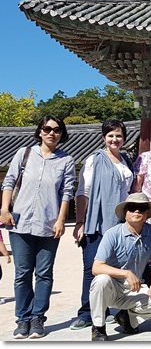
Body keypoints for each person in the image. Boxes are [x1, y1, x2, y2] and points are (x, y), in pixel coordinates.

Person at [1, 116, 76, 339]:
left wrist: (61, 219)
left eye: (57, 130)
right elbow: (9, 181)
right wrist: (4, 209)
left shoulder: (66, 160)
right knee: (22, 273)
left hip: (48, 224)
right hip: (20, 222)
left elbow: (67, 192)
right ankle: (22, 319)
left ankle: (37, 318)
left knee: (44, 273)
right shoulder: (24, 153)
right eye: (47, 129)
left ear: (62, 133)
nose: (52, 133)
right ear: (40, 131)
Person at [71, 119, 134, 331]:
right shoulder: (94, 160)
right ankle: (86, 312)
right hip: (96, 221)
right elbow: (83, 192)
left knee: (116, 267)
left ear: (124, 139)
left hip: (120, 223)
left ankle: (106, 309)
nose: (115, 139)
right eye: (110, 135)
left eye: (119, 135)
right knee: (92, 267)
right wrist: (80, 221)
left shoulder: (126, 161)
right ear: (103, 138)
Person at [88, 192, 151, 341]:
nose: (137, 211)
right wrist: (126, 273)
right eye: (132, 207)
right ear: (125, 212)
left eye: (142, 208)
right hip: (112, 286)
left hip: (134, 288)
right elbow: (96, 267)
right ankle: (98, 327)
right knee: (101, 280)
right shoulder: (112, 234)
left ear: (147, 213)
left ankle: (127, 318)